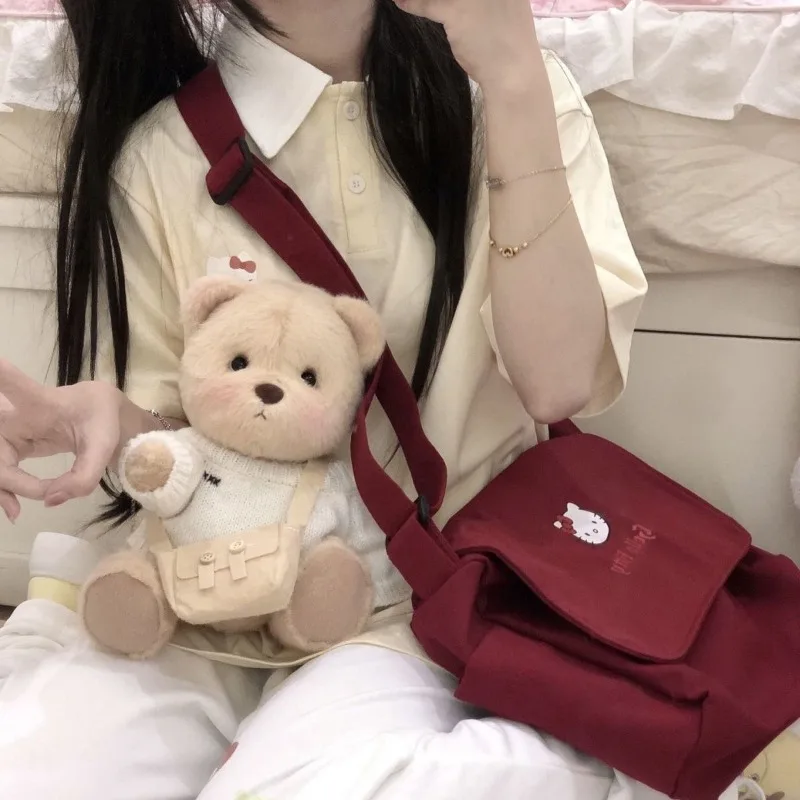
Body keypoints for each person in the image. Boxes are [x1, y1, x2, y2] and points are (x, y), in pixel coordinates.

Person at [0, 0, 729, 797]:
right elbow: (184, 439)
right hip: (200, 596)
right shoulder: (162, 153)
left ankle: (623, 758)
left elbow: (559, 383)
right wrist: (116, 424)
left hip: (416, 604)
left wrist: (515, 81)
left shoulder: (509, 95)